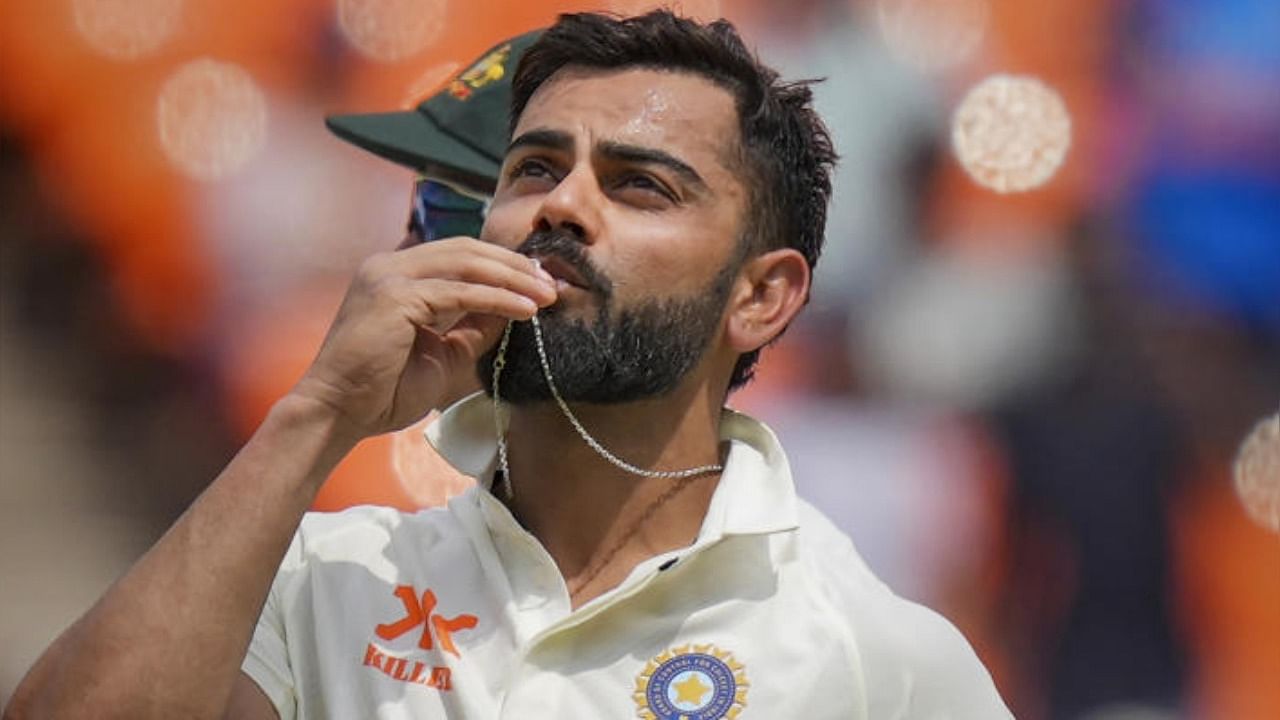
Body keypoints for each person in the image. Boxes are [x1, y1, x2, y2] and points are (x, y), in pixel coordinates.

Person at [4, 11, 1012, 719]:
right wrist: (313, 417)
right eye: (532, 168)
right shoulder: (326, 577)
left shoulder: (872, 656)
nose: (559, 206)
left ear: (763, 296)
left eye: (639, 185)